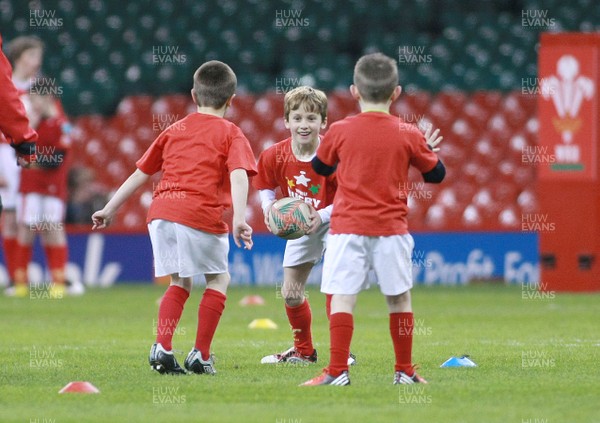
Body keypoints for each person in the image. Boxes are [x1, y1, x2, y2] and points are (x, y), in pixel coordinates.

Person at [92, 61, 257, 375]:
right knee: (219, 278)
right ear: (231, 99)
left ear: (194, 95)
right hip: (198, 212)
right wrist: (238, 217)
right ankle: (201, 355)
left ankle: (163, 347)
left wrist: (110, 208)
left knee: (180, 281)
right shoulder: (232, 133)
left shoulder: (174, 128)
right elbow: (238, 175)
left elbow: (141, 173)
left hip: (162, 213)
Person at [301, 53, 445, 386]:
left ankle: (337, 371)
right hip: (391, 229)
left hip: (348, 227)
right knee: (399, 298)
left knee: (343, 296)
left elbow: (320, 168)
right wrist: (423, 149)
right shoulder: (407, 132)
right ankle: (404, 371)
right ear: (396, 93)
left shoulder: (339, 130)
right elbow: (436, 174)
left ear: (354, 91)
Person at [254, 86, 357, 365]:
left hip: (337, 220)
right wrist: (269, 209)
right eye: (297, 118)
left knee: (334, 286)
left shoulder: (334, 155)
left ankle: (341, 354)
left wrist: (321, 216)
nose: (303, 125)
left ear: (323, 122)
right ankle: (304, 351)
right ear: (286, 121)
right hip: (301, 221)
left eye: (311, 118)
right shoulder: (274, 155)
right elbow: (264, 184)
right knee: (290, 292)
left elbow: (350, 195)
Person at [11, 79, 72, 298]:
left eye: (35, 98)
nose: (32, 103)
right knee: (26, 228)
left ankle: (58, 283)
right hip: (31, 186)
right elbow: (18, 153)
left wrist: (31, 160)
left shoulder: (61, 123)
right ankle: (20, 283)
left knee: (52, 229)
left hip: (54, 186)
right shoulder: (29, 124)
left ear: (47, 98)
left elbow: (56, 159)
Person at [1, 35, 43, 294]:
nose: (36, 62)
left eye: (38, 57)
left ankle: (20, 279)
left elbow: (59, 123)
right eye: (31, 56)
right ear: (18, 58)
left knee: (23, 217)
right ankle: (16, 278)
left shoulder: (41, 88)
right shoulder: (8, 84)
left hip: (23, 153)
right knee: (9, 215)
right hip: (5, 152)